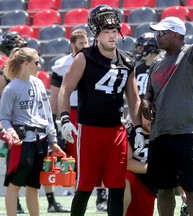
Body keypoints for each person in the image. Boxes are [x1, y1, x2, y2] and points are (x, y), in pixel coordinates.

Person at [58, 4, 144, 216]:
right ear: (97, 34)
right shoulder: (85, 57)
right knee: (85, 185)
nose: (112, 36)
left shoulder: (127, 60)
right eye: (107, 32)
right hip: (89, 130)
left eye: (114, 31)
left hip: (116, 131)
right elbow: (65, 88)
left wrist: (139, 128)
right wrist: (64, 118)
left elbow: (133, 98)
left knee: (117, 185)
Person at [141, 16, 193, 216]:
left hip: (186, 132)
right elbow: (149, 92)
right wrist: (146, 102)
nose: (158, 36)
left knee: (192, 190)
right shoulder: (156, 61)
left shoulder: (190, 53)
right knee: (163, 190)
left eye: (161, 33)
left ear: (176, 35)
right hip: (160, 134)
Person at [0, 31, 69, 214]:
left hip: (40, 141)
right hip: (21, 143)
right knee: (14, 185)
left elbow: (46, 114)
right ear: (25, 63)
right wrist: (10, 133)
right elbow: (4, 118)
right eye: (36, 62)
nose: (40, 65)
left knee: (34, 186)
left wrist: (53, 140)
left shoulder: (38, 83)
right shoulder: (10, 89)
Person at [50, 28, 108, 212]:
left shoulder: (94, 59)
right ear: (72, 44)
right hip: (73, 112)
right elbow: (55, 95)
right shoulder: (62, 64)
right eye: (81, 43)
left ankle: (101, 195)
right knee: (76, 156)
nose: (84, 46)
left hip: (92, 110)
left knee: (97, 154)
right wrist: (54, 121)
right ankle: (79, 194)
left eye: (86, 43)